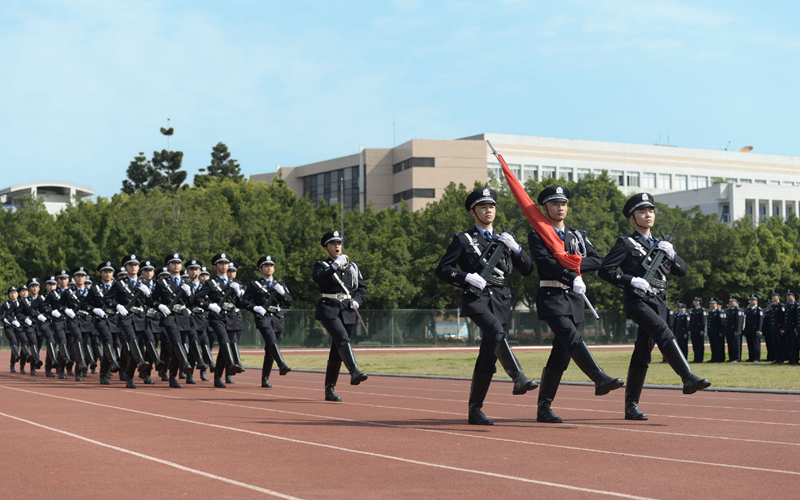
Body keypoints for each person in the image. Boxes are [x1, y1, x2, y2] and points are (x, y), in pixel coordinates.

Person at [598, 193, 710, 421]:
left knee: (642, 353)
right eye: (642, 211)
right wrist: (629, 279)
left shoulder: (661, 245)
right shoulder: (625, 243)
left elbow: (682, 270)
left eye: (650, 211)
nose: (648, 215)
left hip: (659, 302)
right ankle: (687, 376)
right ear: (632, 218)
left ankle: (631, 406)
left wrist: (673, 254)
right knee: (663, 332)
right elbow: (605, 270)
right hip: (637, 301)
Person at [435, 187, 537, 425]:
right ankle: (518, 376)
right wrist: (465, 277)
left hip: (500, 299)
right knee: (495, 332)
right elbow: (442, 270)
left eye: (491, 206)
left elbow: (528, 270)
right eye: (482, 207)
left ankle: (475, 410)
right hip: (477, 298)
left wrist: (517, 249)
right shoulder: (463, 239)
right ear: (473, 212)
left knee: (487, 358)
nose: (488, 211)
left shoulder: (504, 240)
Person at [526, 185, 623, 423]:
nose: (560, 208)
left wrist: (574, 264)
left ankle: (544, 407)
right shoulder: (538, 234)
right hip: (552, 297)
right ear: (544, 207)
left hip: (574, 299)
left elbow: (596, 260)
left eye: (564, 204)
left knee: (561, 355)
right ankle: (598, 377)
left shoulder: (578, 235)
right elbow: (545, 264)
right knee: (571, 338)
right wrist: (571, 276)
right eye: (555, 204)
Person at [313, 230, 369, 402]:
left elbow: (361, 287)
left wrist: (357, 301)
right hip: (328, 308)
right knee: (342, 337)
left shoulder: (352, 266)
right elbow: (319, 279)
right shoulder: (322, 265)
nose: (337, 246)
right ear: (326, 248)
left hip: (347, 310)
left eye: (338, 243)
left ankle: (329, 389)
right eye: (332, 244)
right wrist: (335, 266)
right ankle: (354, 371)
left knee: (337, 350)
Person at [242, 255, 294, 388]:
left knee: (270, 348)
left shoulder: (280, 284)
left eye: (271, 265)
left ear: (274, 268)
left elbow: (290, 302)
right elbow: (243, 301)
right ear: (260, 269)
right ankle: (282, 364)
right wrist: (255, 308)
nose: (269, 268)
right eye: (266, 266)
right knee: (271, 341)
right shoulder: (255, 285)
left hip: (277, 317)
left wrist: (283, 293)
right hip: (263, 317)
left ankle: (265, 378)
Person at [194, 252, 244, 388]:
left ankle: (217, 377)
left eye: (226, 263)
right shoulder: (210, 283)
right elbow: (197, 299)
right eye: (221, 263)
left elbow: (240, 304)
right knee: (223, 339)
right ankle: (232, 364)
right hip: (217, 318)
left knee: (224, 348)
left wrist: (238, 293)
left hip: (231, 317)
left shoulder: (234, 283)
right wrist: (209, 305)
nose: (224, 265)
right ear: (216, 266)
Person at [152, 254, 198, 388]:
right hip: (169, 317)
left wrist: (189, 293)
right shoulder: (162, 283)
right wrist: (159, 306)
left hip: (183, 317)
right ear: (168, 266)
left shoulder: (187, 283)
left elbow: (192, 303)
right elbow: (153, 300)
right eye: (173, 263)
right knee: (176, 340)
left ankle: (173, 376)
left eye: (178, 263)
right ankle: (185, 363)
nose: (176, 265)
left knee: (180, 346)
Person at [87, 261, 123, 384]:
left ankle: (103, 374)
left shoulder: (119, 286)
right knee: (108, 340)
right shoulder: (95, 288)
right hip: (101, 319)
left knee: (116, 343)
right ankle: (114, 362)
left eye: (110, 272)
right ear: (100, 273)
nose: (108, 274)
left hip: (115, 319)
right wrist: (94, 309)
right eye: (105, 272)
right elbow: (85, 304)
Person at [60, 267, 92, 381]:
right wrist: (65, 310)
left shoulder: (90, 291)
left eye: (82, 276)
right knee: (78, 339)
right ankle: (81, 363)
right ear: (74, 278)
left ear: (85, 278)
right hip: (73, 320)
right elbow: (60, 305)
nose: (80, 278)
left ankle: (78, 371)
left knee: (85, 345)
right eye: (78, 276)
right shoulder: (68, 292)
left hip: (86, 320)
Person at [1, 286, 23, 373]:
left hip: (19, 326)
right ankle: (14, 361)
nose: (13, 294)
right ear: (9, 295)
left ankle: (18, 364)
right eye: (11, 293)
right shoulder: (6, 304)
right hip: (9, 326)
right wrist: (4, 319)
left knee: (18, 345)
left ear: (18, 294)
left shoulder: (21, 303)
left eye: (14, 292)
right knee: (13, 342)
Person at [723, 296, 744, 362]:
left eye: (732, 302)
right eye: (729, 302)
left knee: (736, 344)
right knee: (730, 344)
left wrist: (737, 330)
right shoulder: (729, 310)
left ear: (736, 302)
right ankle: (731, 357)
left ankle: (737, 358)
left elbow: (739, 321)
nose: (730, 303)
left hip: (735, 330)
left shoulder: (738, 310)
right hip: (729, 330)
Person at [765, 291, 784, 363]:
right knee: (775, 344)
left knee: (780, 344)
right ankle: (777, 358)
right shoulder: (772, 306)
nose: (773, 297)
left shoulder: (780, 306)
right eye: (772, 296)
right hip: (773, 328)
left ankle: (781, 358)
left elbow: (782, 318)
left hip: (779, 328)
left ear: (778, 297)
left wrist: (782, 328)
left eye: (775, 296)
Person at [743, 295, 763, 362]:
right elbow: (747, 321)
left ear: (756, 301)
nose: (751, 301)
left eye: (753, 300)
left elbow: (760, 320)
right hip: (749, 330)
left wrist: (759, 330)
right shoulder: (748, 310)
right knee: (750, 344)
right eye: (751, 300)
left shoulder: (758, 310)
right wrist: (745, 329)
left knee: (755, 345)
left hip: (755, 330)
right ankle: (751, 357)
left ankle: (756, 358)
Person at [706, 298, 726, 363]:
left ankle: (719, 358)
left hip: (717, 332)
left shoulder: (719, 312)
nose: (711, 305)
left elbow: (721, 323)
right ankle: (714, 358)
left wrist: (721, 331)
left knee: (719, 346)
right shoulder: (711, 312)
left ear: (716, 304)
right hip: (712, 332)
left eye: (713, 304)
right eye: (710, 304)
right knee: (713, 346)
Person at [688, 297, 707, 363]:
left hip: (699, 330)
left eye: (697, 301)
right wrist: (689, 330)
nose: (695, 302)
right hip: (693, 330)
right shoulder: (693, 310)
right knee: (695, 345)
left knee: (699, 345)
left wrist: (702, 330)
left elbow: (703, 321)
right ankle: (696, 358)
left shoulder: (702, 310)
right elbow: (691, 321)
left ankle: (700, 358)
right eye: (694, 301)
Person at [784, 290, 799, 365]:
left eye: (789, 295)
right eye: (787, 296)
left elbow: (796, 318)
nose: (787, 297)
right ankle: (790, 359)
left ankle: (795, 359)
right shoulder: (787, 305)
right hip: (787, 328)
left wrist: (796, 327)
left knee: (794, 345)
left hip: (793, 328)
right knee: (789, 344)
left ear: (793, 297)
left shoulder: (796, 305)